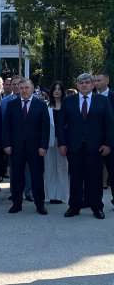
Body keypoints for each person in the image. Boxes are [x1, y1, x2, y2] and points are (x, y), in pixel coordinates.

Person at [57, 73, 114, 219]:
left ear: (93, 84)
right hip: (74, 146)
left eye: (87, 82)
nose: (84, 85)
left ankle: (97, 207)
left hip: (96, 147)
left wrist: (108, 144)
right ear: (77, 84)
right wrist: (62, 144)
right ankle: (74, 207)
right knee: (75, 177)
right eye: (81, 82)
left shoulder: (103, 100)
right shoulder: (68, 101)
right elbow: (61, 124)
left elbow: (109, 124)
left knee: (95, 178)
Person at [3, 78, 50, 215]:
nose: (24, 90)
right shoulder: (11, 104)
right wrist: (6, 144)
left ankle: (40, 204)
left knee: (37, 176)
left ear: (32, 88)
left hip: (35, 148)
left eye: (26, 88)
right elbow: (7, 126)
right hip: (16, 147)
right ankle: (16, 204)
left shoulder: (41, 105)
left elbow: (45, 128)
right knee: (17, 176)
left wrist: (43, 146)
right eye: (21, 88)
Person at [45, 81, 69, 204]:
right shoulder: (46, 105)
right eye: (55, 89)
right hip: (48, 140)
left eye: (60, 89)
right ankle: (51, 195)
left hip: (63, 141)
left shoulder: (68, 105)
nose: (57, 91)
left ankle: (61, 195)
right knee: (50, 167)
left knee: (62, 167)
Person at [94, 72, 114, 207]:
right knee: (92, 172)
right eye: (94, 80)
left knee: (112, 171)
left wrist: (109, 141)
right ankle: (91, 200)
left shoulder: (112, 97)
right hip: (92, 141)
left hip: (110, 141)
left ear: (106, 82)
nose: (96, 83)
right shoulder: (91, 97)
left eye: (99, 80)